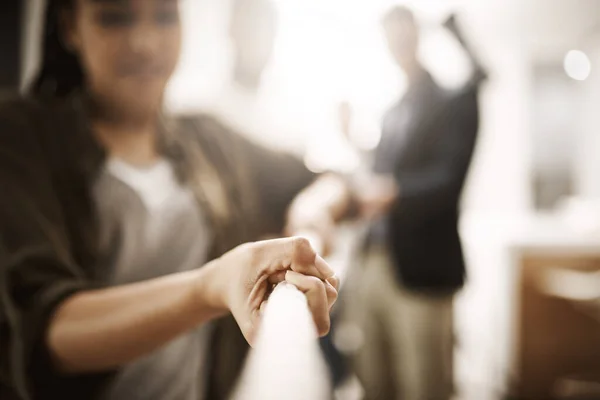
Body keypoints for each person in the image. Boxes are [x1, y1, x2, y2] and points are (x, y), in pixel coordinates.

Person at [0, 1, 354, 399]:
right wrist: (211, 285)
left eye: (165, 16)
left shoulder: (208, 140)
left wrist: (312, 208)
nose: (145, 42)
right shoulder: (19, 135)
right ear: (70, 26)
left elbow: (327, 180)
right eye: (115, 18)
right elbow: (46, 332)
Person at [351, 6, 485, 400]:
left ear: (417, 35)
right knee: (374, 382)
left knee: (424, 386)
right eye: (391, 38)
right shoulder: (392, 110)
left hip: (422, 270)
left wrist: (394, 191)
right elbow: (381, 174)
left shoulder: (449, 102)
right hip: (374, 261)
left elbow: (447, 181)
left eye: (405, 35)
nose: (399, 44)